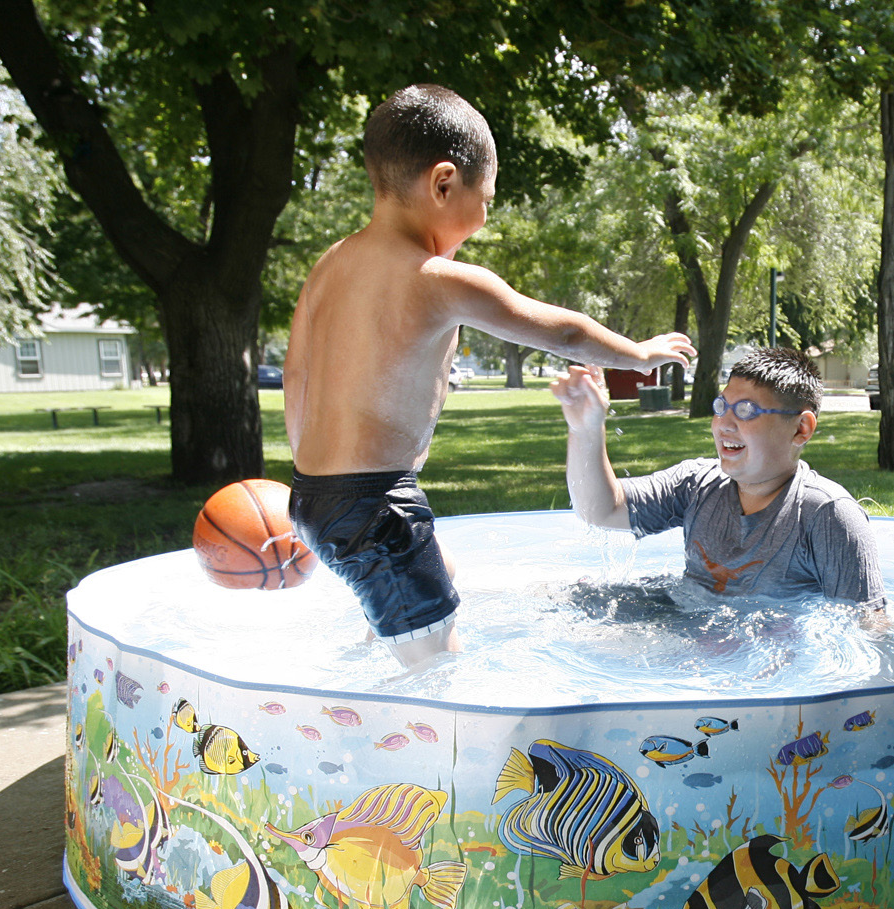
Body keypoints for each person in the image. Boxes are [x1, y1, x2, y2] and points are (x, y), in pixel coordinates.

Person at [282, 85, 694, 668]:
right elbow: (565, 333)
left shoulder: (329, 265)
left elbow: (296, 379)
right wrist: (639, 353)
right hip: (376, 505)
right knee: (442, 673)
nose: (482, 219)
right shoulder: (435, 279)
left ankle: (376, 660)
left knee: (433, 584)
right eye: (487, 201)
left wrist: (320, 493)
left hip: (315, 494)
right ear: (443, 183)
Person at [549, 347, 885, 610]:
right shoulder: (697, 483)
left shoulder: (826, 515)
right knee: (566, 600)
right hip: (687, 625)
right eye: (721, 406)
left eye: (746, 411)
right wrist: (585, 428)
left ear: (801, 428)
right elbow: (601, 510)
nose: (723, 424)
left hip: (766, 656)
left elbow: (868, 626)